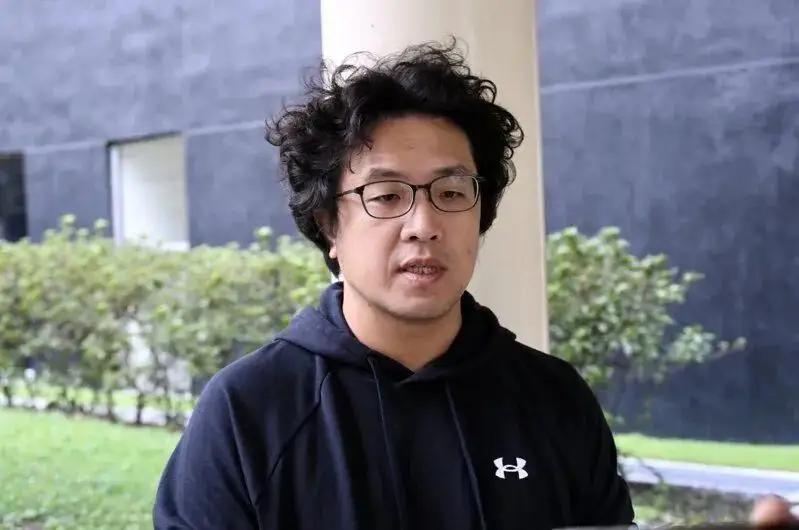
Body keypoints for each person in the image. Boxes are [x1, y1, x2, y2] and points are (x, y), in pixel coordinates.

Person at [153, 42, 796, 530]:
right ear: (328, 226)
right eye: (387, 195)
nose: (424, 224)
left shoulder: (553, 399)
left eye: (452, 191)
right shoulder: (248, 413)